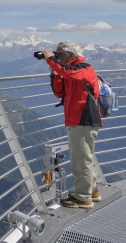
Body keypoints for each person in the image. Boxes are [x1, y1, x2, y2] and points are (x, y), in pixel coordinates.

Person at [41, 41, 102, 209]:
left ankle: (83, 198)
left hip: (83, 119)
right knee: (84, 157)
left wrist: (51, 59)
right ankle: (93, 190)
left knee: (80, 160)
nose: (57, 56)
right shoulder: (69, 71)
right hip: (76, 119)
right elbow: (59, 92)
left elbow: (69, 72)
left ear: (70, 54)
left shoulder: (83, 68)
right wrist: (55, 74)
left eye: (59, 53)